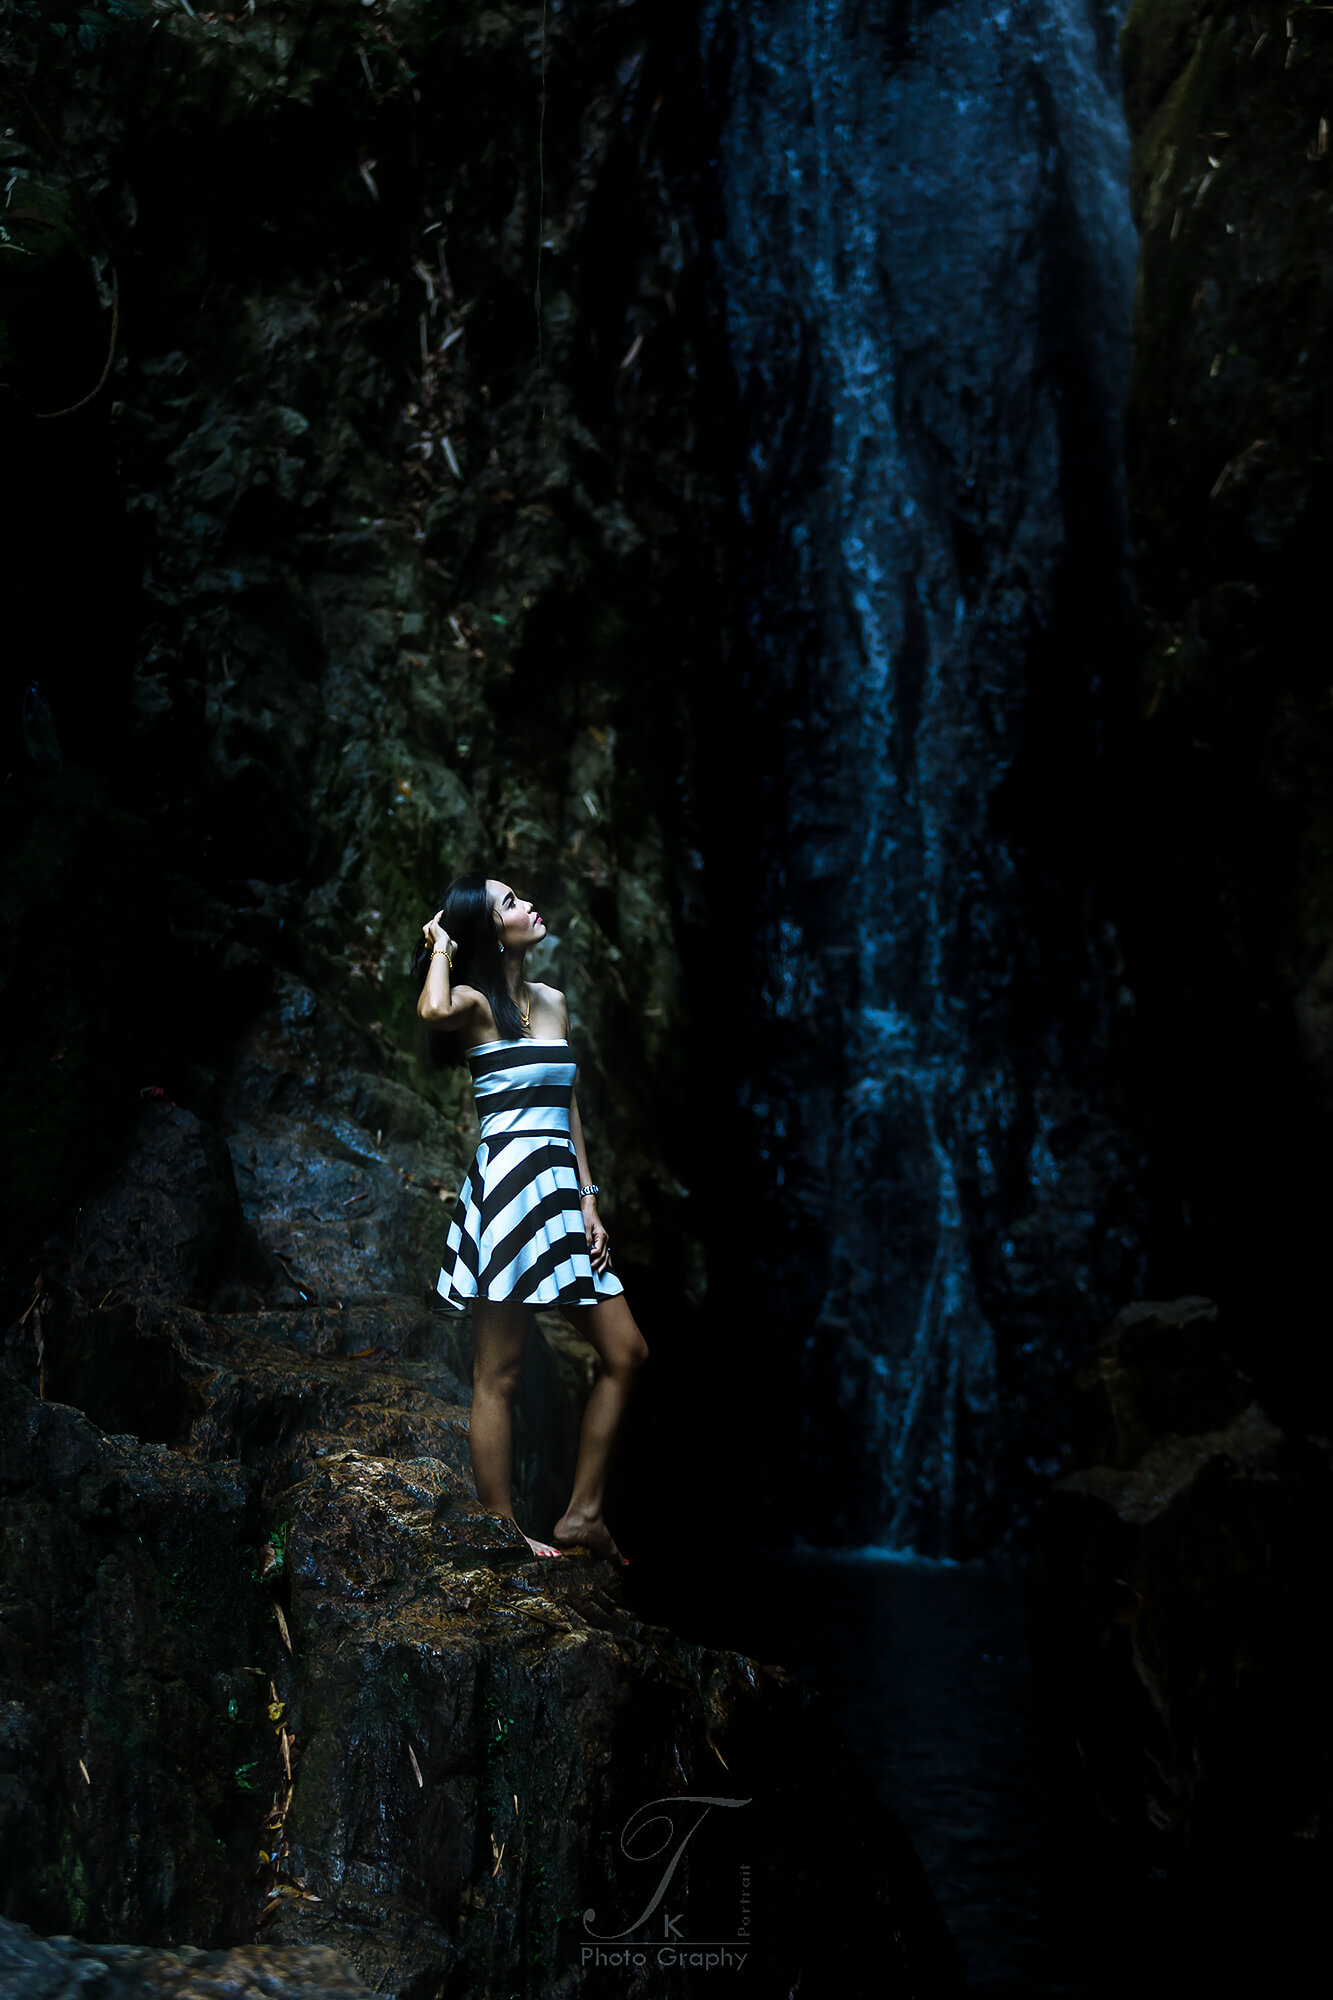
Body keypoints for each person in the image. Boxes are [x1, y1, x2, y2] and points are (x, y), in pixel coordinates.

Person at [413, 872, 648, 1565]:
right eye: (510, 903)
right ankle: (499, 1522)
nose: (528, 906)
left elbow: (567, 1105)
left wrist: (589, 1198)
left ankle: (582, 1515)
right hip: (508, 1194)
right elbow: (429, 1011)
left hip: (559, 1195)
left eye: (520, 896)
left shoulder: (551, 1002)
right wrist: (439, 943)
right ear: (491, 930)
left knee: (627, 1352)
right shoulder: (472, 1005)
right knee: (501, 1374)